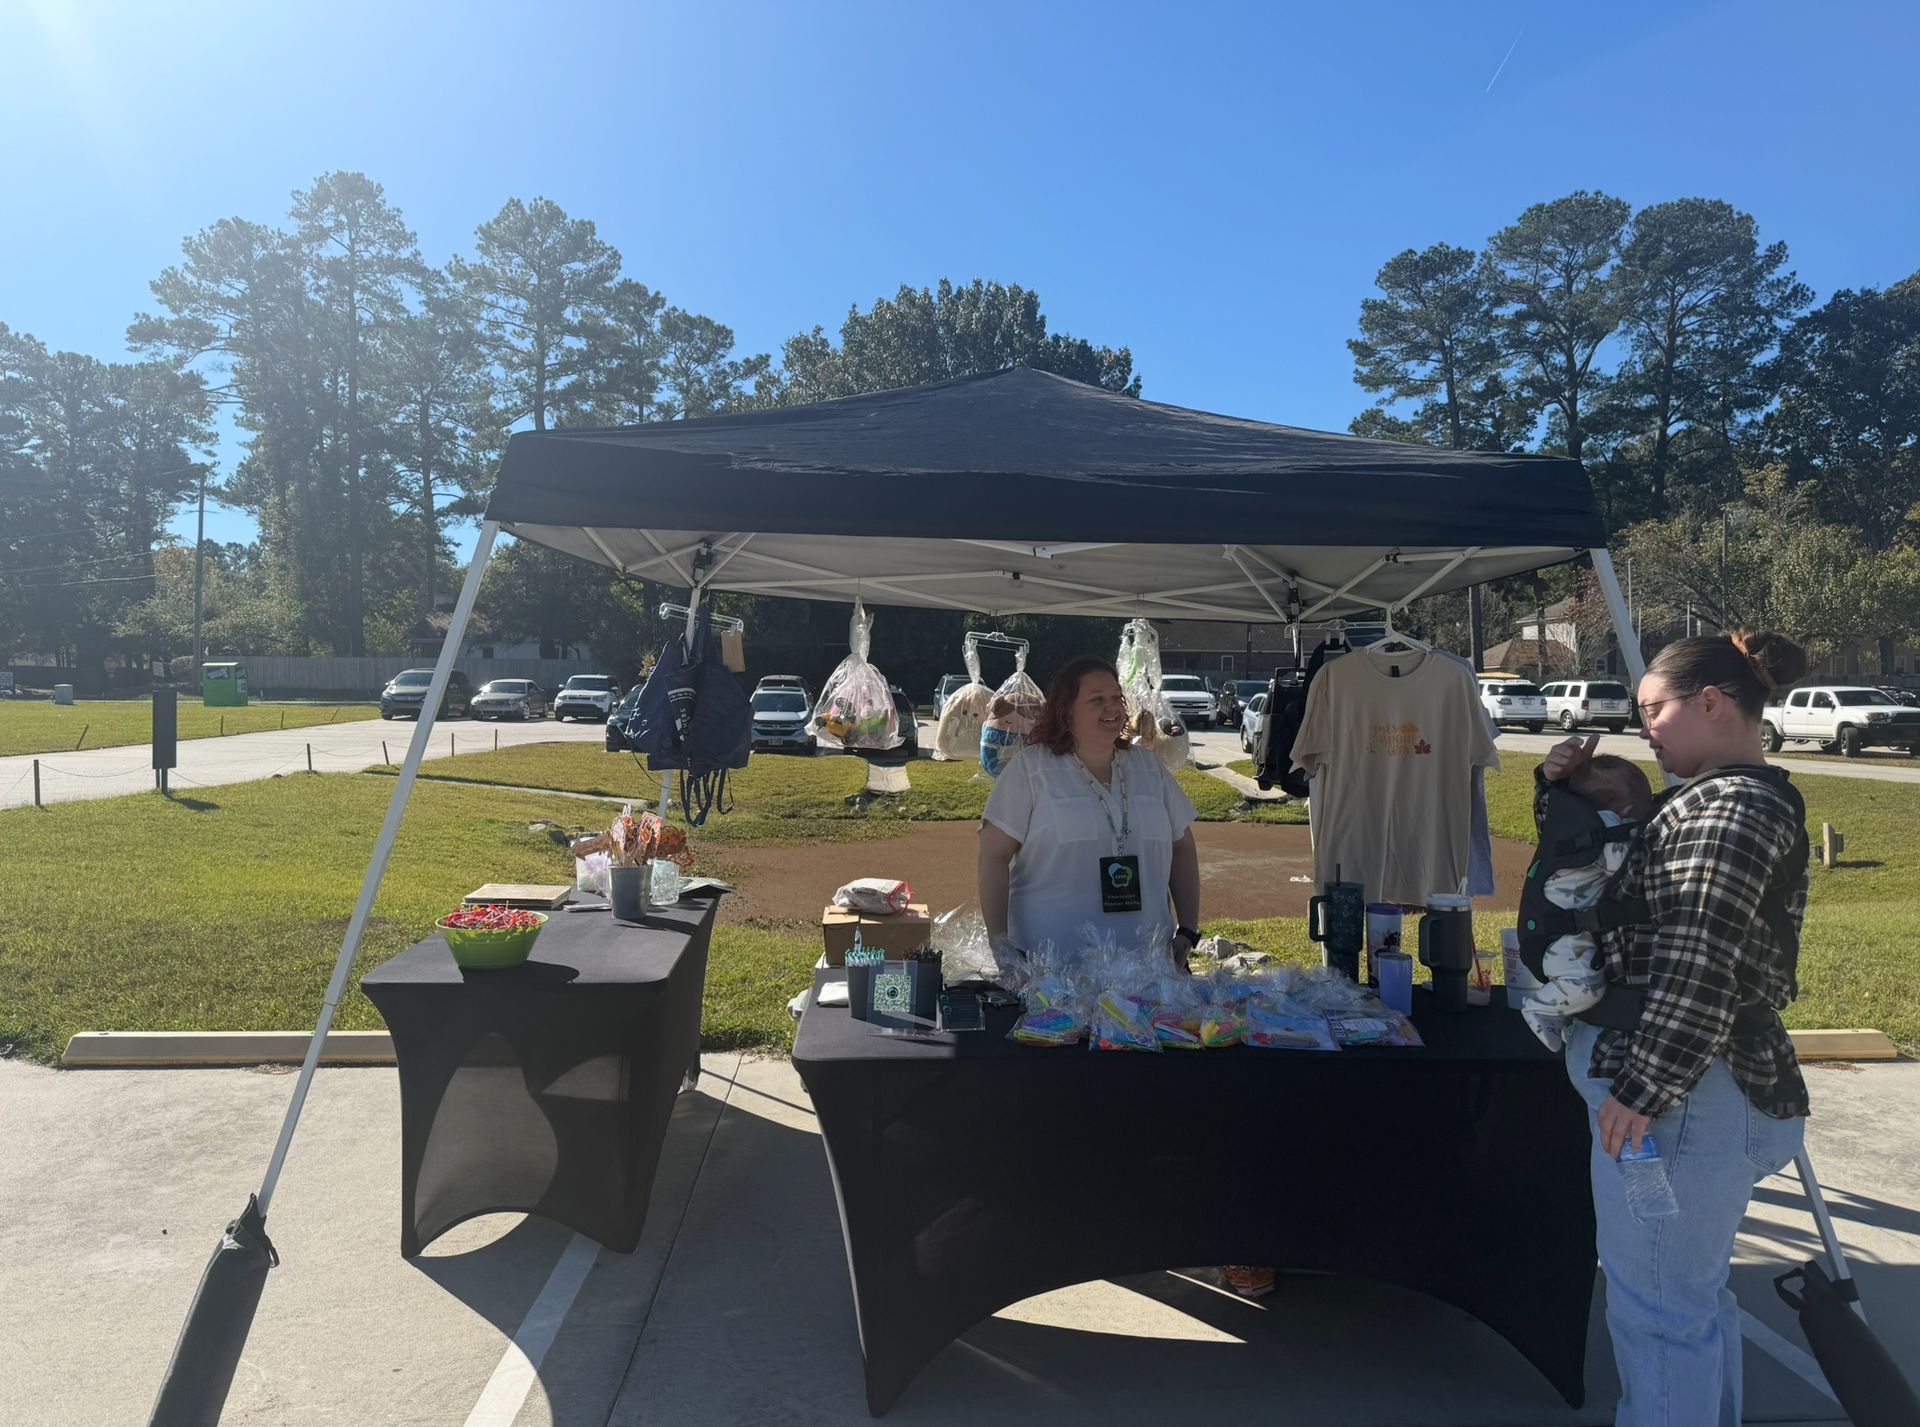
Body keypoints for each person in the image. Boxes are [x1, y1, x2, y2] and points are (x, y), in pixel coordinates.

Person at [1540, 630, 1810, 1427]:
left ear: (1713, 703)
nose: (1646, 726)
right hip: (1697, 1090)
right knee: (1687, 1304)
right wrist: (1584, 791)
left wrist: (1645, 1088)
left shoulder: (1730, 807)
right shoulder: (1717, 798)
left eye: (1654, 708)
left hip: (1685, 1099)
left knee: (1658, 1313)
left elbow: (1697, 955)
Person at [979, 656, 1202, 969]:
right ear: (1065, 712)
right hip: (1051, 973)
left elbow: (1182, 847)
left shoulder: (1148, 767)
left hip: (1148, 971)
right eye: (1097, 700)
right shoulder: (1032, 768)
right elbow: (993, 856)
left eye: (1116, 698)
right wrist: (1001, 949)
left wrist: (1188, 929)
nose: (1112, 708)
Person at [1520, 755, 1656, 1051]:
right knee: (1585, 986)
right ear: (1628, 810)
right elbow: (1620, 866)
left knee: (1584, 981)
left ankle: (1559, 1008)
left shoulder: (1573, 825)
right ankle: (1539, 1007)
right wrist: (1635, 833)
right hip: (1563, 936)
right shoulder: (1605, 829)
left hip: (1563, 930)